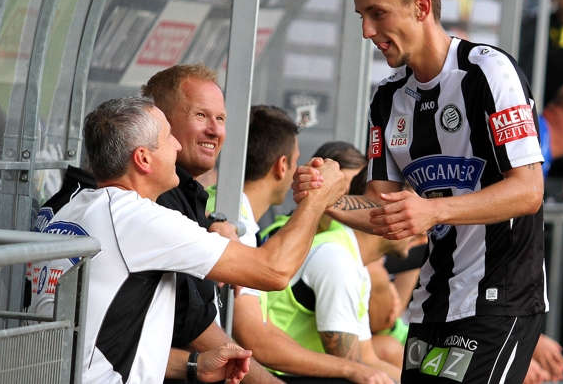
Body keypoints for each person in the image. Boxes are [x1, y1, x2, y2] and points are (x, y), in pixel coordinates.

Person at [295, 0, 546, 383]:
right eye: (362, 17)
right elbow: (383, 209)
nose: (367, 31)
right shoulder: (387, 98)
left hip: (498, 297)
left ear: (421, 6)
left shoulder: (488, 71)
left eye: (377, 13)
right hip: (432, 302)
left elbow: (528, 190)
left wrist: (433, 210)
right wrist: (324, 199)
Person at [30, 96, 345, 383]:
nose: (178, 147)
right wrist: (317, 198)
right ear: (143, 158)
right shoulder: (137, 220)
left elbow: (96, 346)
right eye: (168, 138)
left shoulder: (75, 208)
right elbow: (274, 270)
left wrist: (194, 364)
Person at [208, 113, 395, 383]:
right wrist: (350, 369)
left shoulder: (233, 213)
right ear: (282, 166)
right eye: (297, 162)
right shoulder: (237, 223)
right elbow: (255, 339)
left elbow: (262, 330)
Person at [141, 64, 281, 384]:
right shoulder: (155, 203)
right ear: (160, 121)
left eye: (220, 119)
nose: (215, 130)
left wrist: (214, 221)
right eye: (200, 116)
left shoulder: (186, 195)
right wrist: (318, 199)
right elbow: (275, 271)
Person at [262, 142, 424, 382]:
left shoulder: (352, 256)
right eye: (411, 213)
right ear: (386, 210)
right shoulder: (338, 258)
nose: (421, 228)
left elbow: (368, 359)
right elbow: (350, 367)